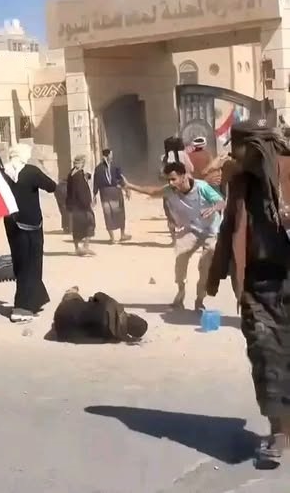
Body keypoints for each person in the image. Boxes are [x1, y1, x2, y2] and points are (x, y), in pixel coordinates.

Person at [207, 119, 290, 462]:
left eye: (237, 147)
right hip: (257, 284)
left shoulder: (287, 172)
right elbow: (229, 227)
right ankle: (280, 432)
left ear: (255, 147)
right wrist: (216, 274)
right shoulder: (240, 181)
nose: (233, 154)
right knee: (265, 354)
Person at [125, 161, 225, 310]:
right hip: (191, 230)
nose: (171, 183)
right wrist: (130, 186)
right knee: (180, 257)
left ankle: (199, 300)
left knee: (205, 267)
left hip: (211, 231)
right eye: (168, 180)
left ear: (184, 176)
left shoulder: (201, 187)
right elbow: (152, 192)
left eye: (173, 179)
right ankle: (180, 292)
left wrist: (214, 207)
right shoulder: (170, 190)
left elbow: (221, 202)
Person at [2, 143, 56, 323]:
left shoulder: (3, 173)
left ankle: (36, 299)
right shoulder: (31, 171)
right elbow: (51, 186)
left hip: (11, 223)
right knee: (32, 264)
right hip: (31, 224)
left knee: (20, 262)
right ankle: (23, 307)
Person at [93, 149, 131, 244]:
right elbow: (96, 182)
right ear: (107, 156)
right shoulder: (105, 168)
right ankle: (117, 236)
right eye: (111, 155)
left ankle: (117, 237)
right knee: (113, 214)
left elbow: (120, 179)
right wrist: (127, 190)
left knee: (114, 214)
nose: (112, 156)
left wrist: (94, 195)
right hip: (110, 192)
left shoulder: (107, 167)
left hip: (109, 192)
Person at [67, 155, 95, 256]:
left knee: (77, 227)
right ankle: (85, 247)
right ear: (82, 163)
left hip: (74, 206)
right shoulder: (78, 176)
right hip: (82, 206)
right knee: (90, 224)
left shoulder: (72, 173)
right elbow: (80, 192)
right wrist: (87, 203)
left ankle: (78, 248)